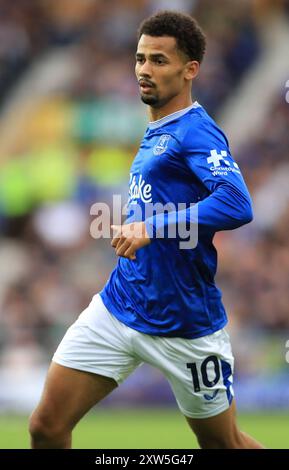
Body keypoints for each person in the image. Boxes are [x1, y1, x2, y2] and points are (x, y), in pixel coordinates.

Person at [29, 10, 263, 449]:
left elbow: (237, 203)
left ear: (190, 69)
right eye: (140, 59)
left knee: (223, 444)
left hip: (185, 323)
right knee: (46, 425)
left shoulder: (197, 132)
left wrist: (153, 227)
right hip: (120, 305)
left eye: (158, 60)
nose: (143, 70)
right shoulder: (156, 129)